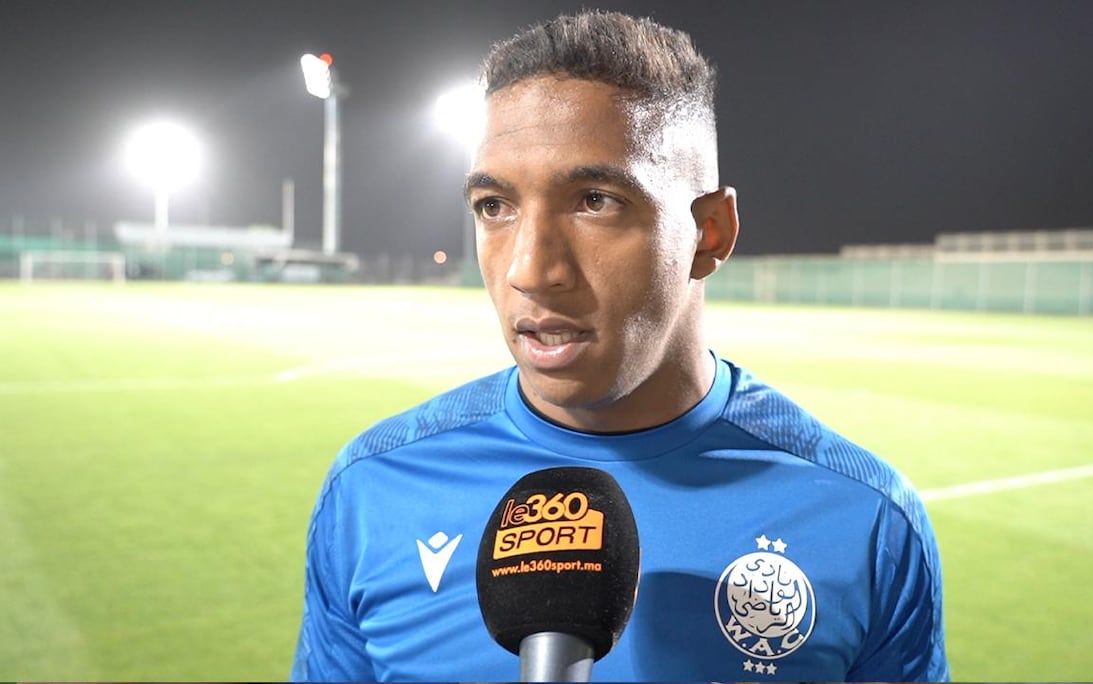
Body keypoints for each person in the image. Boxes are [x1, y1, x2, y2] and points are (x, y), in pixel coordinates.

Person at [291, 10, 948, 682]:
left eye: (595, 201)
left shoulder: (867, 519)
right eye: (494, 206)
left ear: (710, 233)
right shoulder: (371, 489)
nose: (530, 270)